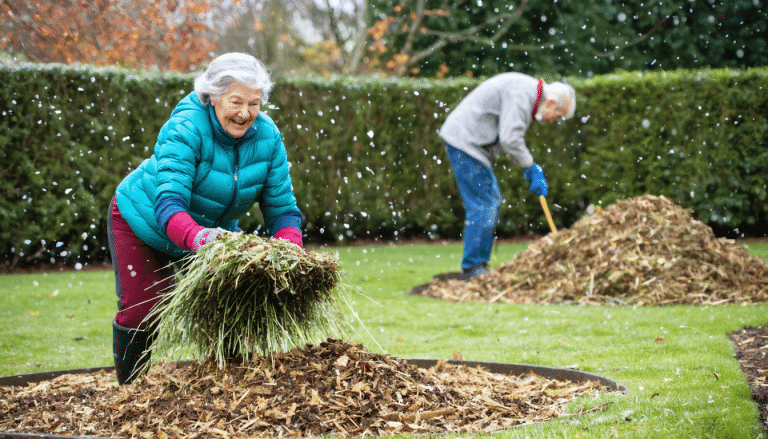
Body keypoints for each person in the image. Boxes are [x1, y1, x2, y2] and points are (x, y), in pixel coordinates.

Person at [107, 52, 304, 384]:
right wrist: (202, 240)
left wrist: (289, 251)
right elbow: (169, 203)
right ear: (212, 96)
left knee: (232, 305)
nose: (245, 114)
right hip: (142, 222)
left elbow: (282, 209)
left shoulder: (267, 137)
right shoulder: (186, 127)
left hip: (210, 235)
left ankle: (230, 389)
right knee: (145, 308)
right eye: (236, 101)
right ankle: (131, 393)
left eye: (254, 103)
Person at [438, 73, 575, 280]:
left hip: (469, 142)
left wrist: (528, 166)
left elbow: (508, 139)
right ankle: (473, 267)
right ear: (552, 102)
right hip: (465, 142)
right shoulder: (523, 93)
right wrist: (531, 167)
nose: (555, 120)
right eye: (559, 115)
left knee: (487, 201)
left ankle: (476, 264)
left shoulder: (528, 92)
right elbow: (510, 138)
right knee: (485, 202)